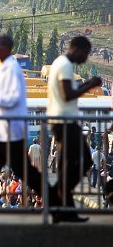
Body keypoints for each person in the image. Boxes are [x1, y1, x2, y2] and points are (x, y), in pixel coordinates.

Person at [0, 35, 44, 223]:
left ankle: (59, 201)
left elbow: (13, 98)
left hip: (9, 130)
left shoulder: (11, 69)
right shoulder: (4, 67)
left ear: (4, 48)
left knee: (21, 172)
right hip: (1, 130)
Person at [47, 36, 101, 223]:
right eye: (85, 53)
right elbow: (68, 94)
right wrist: (91, 85)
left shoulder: (59, 63)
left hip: (65, 120)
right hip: (64, 122)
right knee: (84, 160)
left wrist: (87, 85)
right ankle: (56, 199)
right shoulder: (65, 66)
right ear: (77, 49)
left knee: (68, 166)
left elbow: (68, 91)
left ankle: (63, 208)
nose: (85, 58)